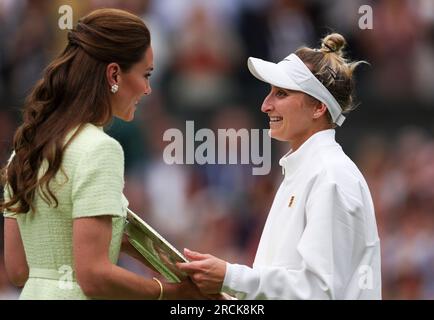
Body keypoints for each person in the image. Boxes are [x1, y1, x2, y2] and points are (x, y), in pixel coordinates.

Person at [1, 8, 210, 300]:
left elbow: (18, 269)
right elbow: (94, 277)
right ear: (114, 73)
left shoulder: (26, 148)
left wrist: (117, 241)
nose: (148, 89)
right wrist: (171, 293)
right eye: (146, 74)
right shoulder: (101, 149)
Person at [177, 33, 382, 300]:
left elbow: (320, 291)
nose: (265, 105)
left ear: (318, 107)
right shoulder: (305, 171)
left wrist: (230, 277)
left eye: (281, 93)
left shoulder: (332, 176)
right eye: (270, 93)